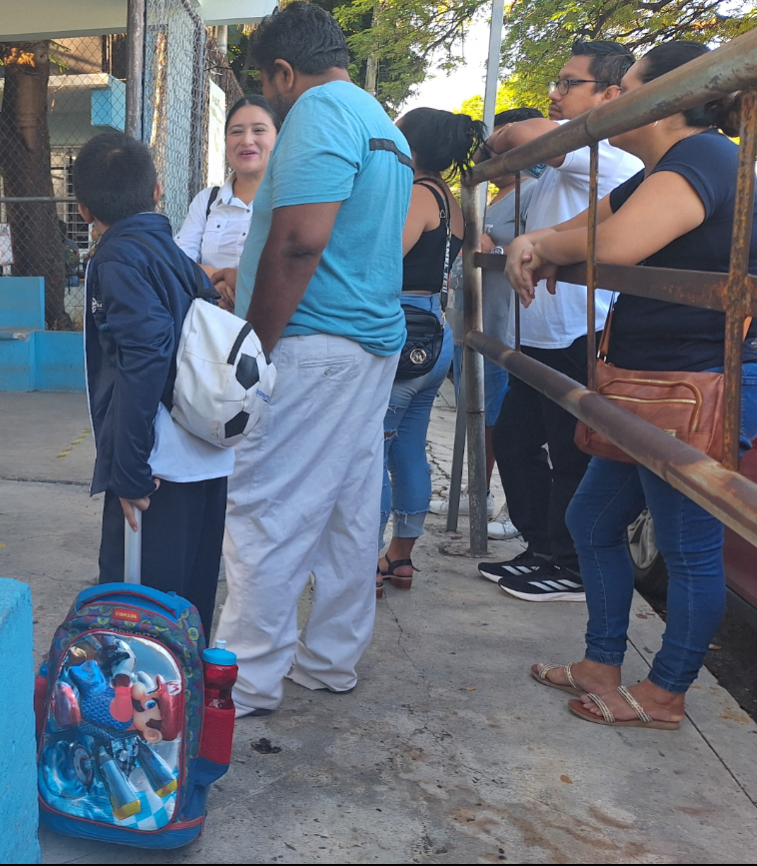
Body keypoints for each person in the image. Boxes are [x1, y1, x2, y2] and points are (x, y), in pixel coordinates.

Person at [509, 41, 757, 728]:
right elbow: (577, 228)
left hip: (696, 387)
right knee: (590, 522)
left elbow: (614, 246)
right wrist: (533, 242)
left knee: (686, 547)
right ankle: (601, 661)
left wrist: (538, 247)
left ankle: (665, 693)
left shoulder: (705, 157)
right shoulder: (665, 168)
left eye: (622, 87)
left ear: (669, 96)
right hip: (649, 387)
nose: (609, 101)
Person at [214, 2, 412, 716]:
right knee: (345, 512)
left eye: (268, 91)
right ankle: (328, 660)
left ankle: (242, 681)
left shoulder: (319, 113)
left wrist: (253, 351)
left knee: (267, 510)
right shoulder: (380, 122)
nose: (269, 104)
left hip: (312, 345)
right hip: (366, 345)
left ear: (282, 72)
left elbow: (298, 242)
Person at [477, 42, 642, 600]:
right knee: (520, 444)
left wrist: (504, 136)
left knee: (570, 451)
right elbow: (519, 138)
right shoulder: (568, 156)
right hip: (536, 335)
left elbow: (518, 137)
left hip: (579, 335)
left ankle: (568, 565)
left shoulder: (608, 157)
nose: (554, 94)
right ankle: (541, 548)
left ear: (610, 96)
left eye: (569, 84)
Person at [74, 131, 232, 637]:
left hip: (158, 466)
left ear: (82, 209)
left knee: (137, 614)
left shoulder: (117, 258)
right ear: (158, 192)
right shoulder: (176, 256)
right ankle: (182, 707)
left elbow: (143, 356)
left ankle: (140, 714)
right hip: (203, 451)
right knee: (188, 602)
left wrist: (129, 469)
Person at [376, 108, 483, 595]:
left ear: (411, 148)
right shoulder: (453, 203)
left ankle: (360, 564)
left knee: (371, 454)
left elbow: (384, 259)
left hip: (400, 332)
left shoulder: (417, 195)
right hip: (434, 332)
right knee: (408, 449)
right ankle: (400, 558)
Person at [433, 107, 546, 540]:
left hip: (504, 324)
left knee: (501, 420)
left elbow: (537, 256)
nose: (490, 149)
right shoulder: (494, 193)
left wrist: (487, 253)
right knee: (475, 411)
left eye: (501, 140)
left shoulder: (535, 192)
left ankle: (505, 509)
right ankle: (474, 493)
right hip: (473, 323)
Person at [175, 95, 280, 309]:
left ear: (279, 139)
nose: (247, 140)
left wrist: (240, 282)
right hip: (212, 326)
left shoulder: (291, 200)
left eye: (259, 130)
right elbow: (178, 263)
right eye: (236, 131)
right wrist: (217, 281)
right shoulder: (207, 201)